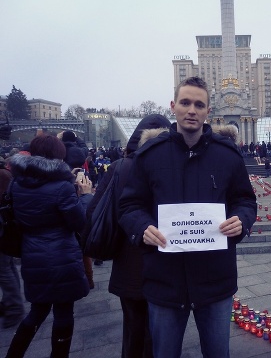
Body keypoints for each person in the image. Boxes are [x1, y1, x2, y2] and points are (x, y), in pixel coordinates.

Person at [118, 76, 257, 358]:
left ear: (208, 111)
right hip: (165, 280)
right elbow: (130, 205)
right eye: (185, 103)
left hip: (215, 280)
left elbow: (245, 200)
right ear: (173, 106)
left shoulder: (227, 154)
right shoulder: (150, 155)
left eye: (198, 104)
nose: (191, 110)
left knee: (218, 353)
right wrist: (142, 227)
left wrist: (242, 220)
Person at [86, 114, 170, 358]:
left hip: (129, 263)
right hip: (165, 265)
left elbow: (94, 212)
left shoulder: (120, 167)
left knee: (133, 329)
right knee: (161, 331)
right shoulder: (173, 168)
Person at [6, 134, 92, 358]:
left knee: (37, 311)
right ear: (58, 156)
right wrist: (85, 196)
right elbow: (79, 222)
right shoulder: (61, 187)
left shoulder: (17, 182)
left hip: (32, 255)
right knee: (64, 312)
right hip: (62, 256)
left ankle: (14, 353)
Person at [0, 157, 24, 329]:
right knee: (6, 266)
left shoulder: (4, 176)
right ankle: (13, 303)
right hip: (6, 228)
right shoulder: (7, 175)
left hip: (4, 228)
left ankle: (14, 306)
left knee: (3, 268)